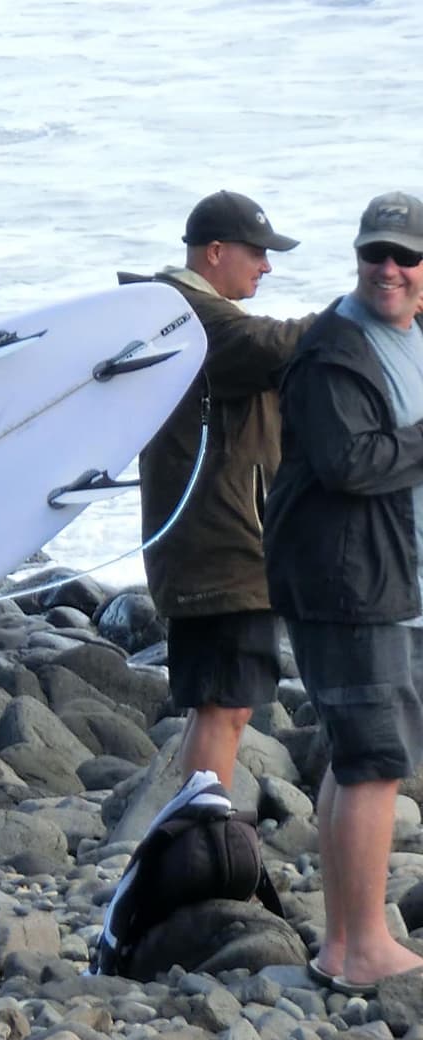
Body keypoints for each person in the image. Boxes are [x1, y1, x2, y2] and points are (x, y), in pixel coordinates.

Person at [264, 191, 423, 994]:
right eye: (375, 254)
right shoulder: (335, 350)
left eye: (405, 256)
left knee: (358, 755)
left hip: (389, 578)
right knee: (374, 759)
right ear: (356, 257)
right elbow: (349, 462)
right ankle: (360, 948)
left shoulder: (411, 336)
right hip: (347, 581)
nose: (388, 269)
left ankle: (345, 938)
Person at [125, 190, 316, 787]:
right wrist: (361, 314)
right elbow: (273, 346)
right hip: (216, 551)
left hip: (218, 547)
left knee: (224, 702)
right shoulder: (190, 319)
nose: (267, 265)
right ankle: (202, 832)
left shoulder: (180, 313)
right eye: (257, 252)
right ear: (214, 252)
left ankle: (197, 826)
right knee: (224, 703)